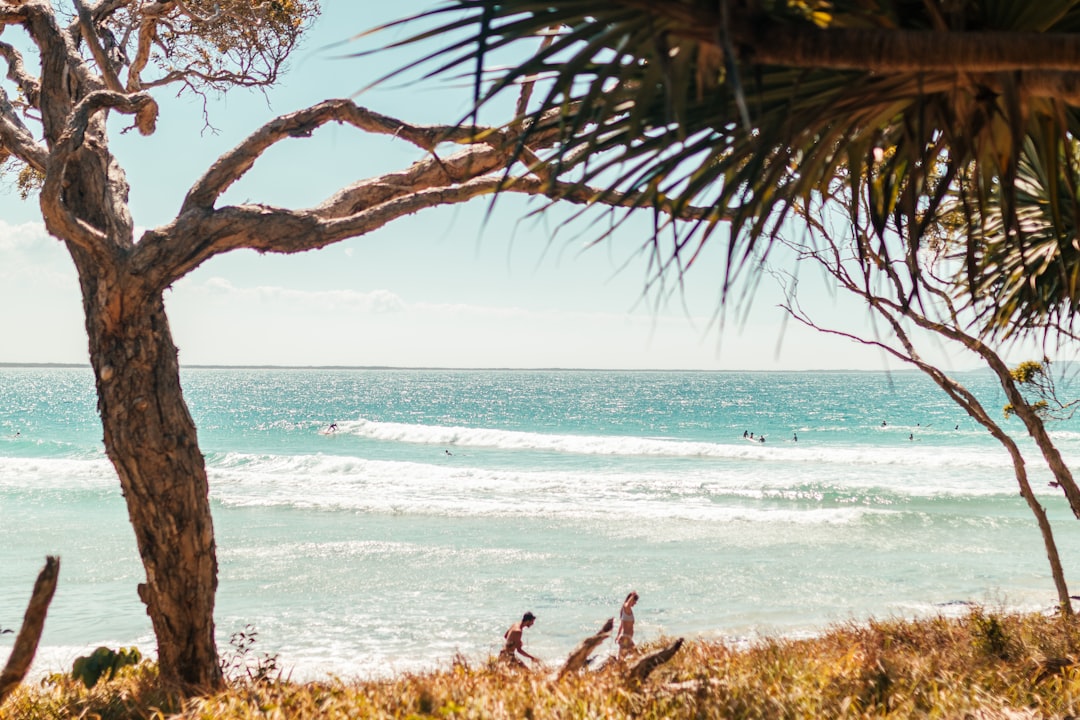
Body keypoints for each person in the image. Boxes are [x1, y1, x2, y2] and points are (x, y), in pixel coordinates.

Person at [615, 591, 638, 659]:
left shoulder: (627, 610)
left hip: (627, 639)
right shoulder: (626, 607)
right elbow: (628, 604)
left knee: (636, 655)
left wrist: (618, 635)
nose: (635, 603)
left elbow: (621, 625)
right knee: (622, 659)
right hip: (625, 639)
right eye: (634, 601)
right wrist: (632, 596)